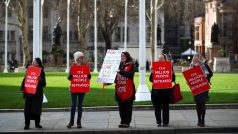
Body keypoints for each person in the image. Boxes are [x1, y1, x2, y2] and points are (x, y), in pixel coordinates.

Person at [104, 51, 136, 128]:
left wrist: (120, 71)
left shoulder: (131, 65)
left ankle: (127, 122)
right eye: (121, 56)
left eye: (124, 56)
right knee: (121, 108)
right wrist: (107, 83)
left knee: (128, 108)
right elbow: (114, 78)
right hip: (119, 90)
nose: (122, 57)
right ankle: (122, 121)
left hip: (128, 90)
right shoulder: (117, 66)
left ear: (127, 57)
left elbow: (130, 75)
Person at [149, 53, 175, 127]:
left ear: (165, 59)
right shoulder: (155, 66)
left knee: (165, 107)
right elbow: (151, 80)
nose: (160, 60)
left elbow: (173, 79)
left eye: (161, 58)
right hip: (156, 91)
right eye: (159, 58)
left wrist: (172, 74)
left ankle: (165, 122)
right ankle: (158, 122)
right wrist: (152, 73)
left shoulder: (169, 66)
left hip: (166, 91)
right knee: (157, 107)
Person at [67, 51, 91, 129]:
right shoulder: (72, 66)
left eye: (82, 57)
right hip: (74, 87)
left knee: (80, 106)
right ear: (77, 58)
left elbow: (88, 77)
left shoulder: (85, 66)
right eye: (80, 57)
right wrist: (71, 74)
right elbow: (69, 78)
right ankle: (71, 121)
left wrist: (88, 74)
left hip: (82, 88)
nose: (81, 59)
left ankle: (79, 122)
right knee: (73, 105)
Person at [20, 58, 46, 130]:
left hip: (37, 94)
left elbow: (44, 84)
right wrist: (22, 88)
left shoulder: (41, 72)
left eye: (35, 62)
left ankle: (37, 123)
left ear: (38, 64)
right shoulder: (29, 70)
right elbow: (25, 80)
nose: (33, 64)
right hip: (29, 93)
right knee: (27, 109)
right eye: (32, 62)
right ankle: (27, 124)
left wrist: (40, 79)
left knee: (37, 110)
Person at [190, 54, 212, 127]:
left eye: (197, 59)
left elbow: (211, 74)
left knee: (202, 103)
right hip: (196, 87)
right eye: (194, 59)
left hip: (203, 87)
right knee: (197, 104)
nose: (195, 60)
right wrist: (189, 81)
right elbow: (190, 76)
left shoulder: (204, 65)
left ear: (199, 59)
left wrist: (206, 75)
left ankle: (203, 120)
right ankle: (199, 119)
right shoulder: (191, 66)